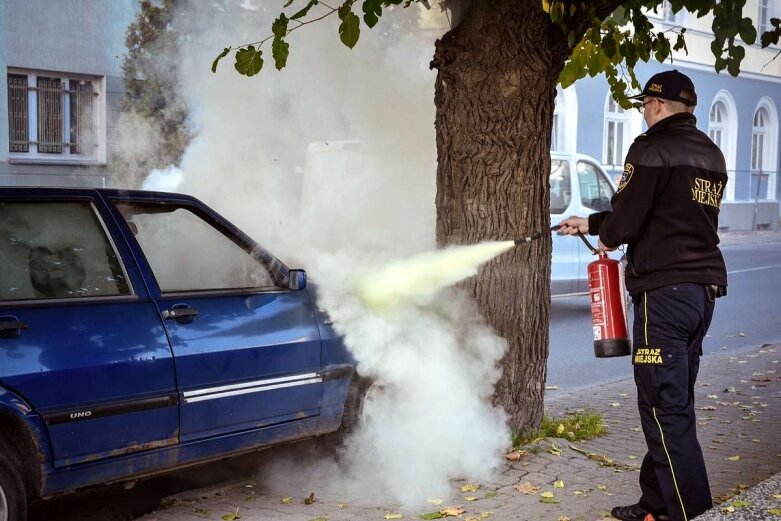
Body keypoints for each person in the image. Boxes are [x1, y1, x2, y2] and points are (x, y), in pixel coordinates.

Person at [558, 69, 728, 521]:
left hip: (664, 294)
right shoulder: (711, 154)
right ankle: (654, 502)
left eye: (644, 107)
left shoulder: (651, 147)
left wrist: (609, 232)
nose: (643, 115)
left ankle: (690, 513)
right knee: (673, 400)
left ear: (655, 106)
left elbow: (630, 216)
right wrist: (593, 223)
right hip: (701, 292)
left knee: (663, 407)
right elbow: (666, 210)